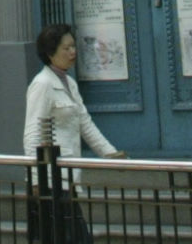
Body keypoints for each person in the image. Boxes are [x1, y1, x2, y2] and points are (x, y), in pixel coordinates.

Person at [24, 22, 122, 242]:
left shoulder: (69, 83)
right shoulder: (42, 84)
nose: (73, 52)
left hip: (67, 176)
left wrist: (110, 153)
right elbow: (32, 133)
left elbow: (84, 123)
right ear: (50, 53)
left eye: (73, 46)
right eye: (66, 48)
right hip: (50, 179)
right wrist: (35, 179)